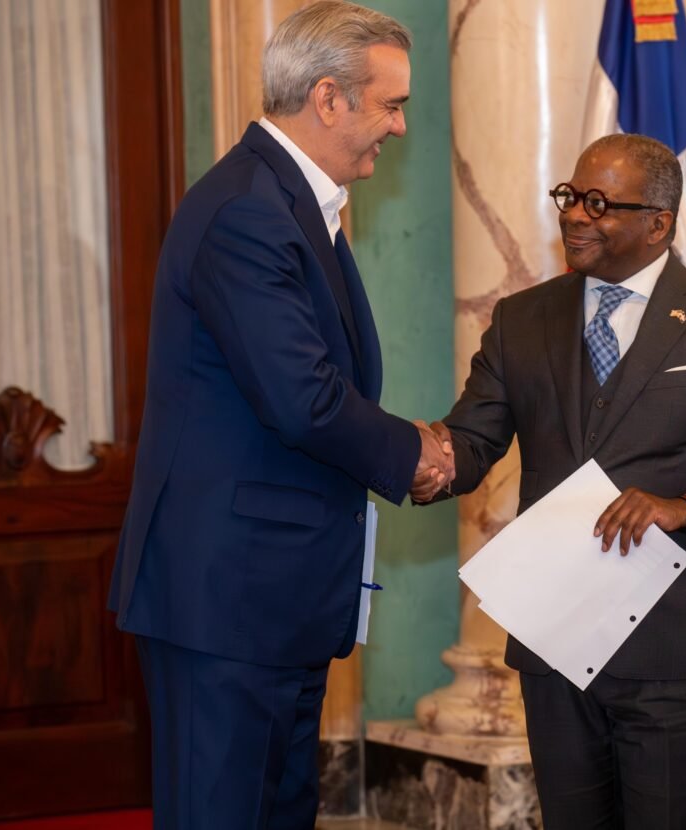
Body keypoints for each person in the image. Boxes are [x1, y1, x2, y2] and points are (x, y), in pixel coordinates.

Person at [108, 3, 451, 828]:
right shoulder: (248, 210)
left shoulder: (289, 202)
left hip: (274, 598)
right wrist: (415, 452)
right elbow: (304, 398)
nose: (400, 127)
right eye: (391, 105)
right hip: (228, 601)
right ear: (328, 98)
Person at [413, 134, 686, 829]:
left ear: (658, 222)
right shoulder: (521, 320)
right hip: (556, 643)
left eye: (598, 204)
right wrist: (416, 456)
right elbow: (471, 440)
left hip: (674, 650)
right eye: (570, 197)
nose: (573, 215)